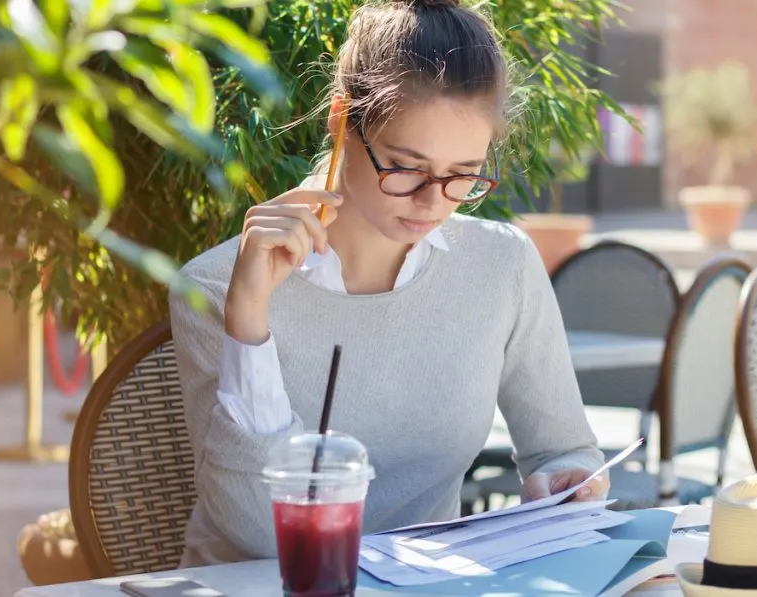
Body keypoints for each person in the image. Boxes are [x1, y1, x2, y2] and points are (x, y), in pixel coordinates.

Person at [169, 0, 608, 567]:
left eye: (463, 175)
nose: (432, 202)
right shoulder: (214, 286)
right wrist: (250, 314)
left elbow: (563, 450)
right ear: (340, 121)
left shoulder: (503, 266)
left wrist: (563, 481)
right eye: (406, 167)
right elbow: (260, 533)